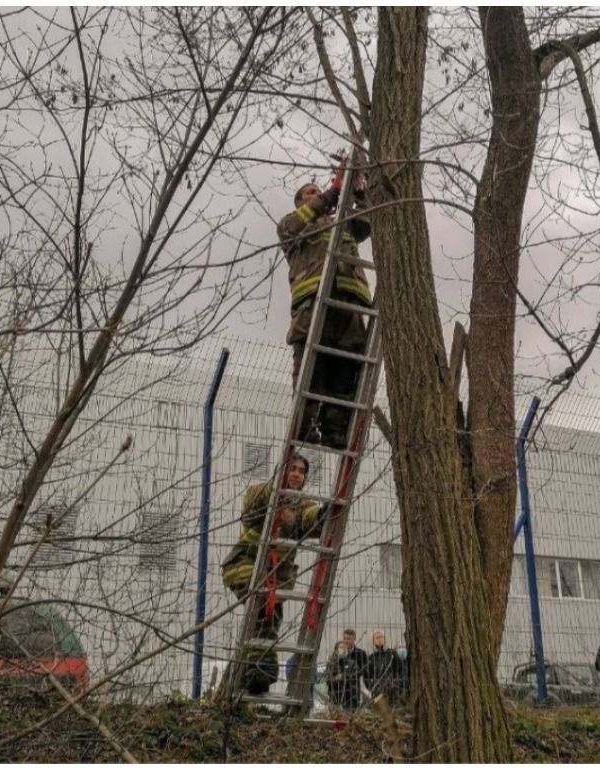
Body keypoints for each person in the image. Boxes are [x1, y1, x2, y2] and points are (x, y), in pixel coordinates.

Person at [276, 168, 373, 449]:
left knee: (345, 367)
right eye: (310, 193)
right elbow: (296, 224)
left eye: (318, 192)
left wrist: (358, 192)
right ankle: (304, 428)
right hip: (312, 305)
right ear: (298, 202)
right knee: (310, 370)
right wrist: (332, 192)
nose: (316, 195)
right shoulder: (292, 225)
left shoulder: (341, 222)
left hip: (347, 301)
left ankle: (335, 428)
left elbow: (365, 223)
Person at [220, 455, 326, 696]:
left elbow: (307, 519)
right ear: (281, 472)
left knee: (268, 617)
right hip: (245, 565)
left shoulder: (302, 504)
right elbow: (251, 511)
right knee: (263, 607)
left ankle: (251, 675)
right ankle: (260, 670)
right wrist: (275, 494)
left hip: (275, 576)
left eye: (302, 471)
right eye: (292, 469)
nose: (297, 474)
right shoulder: (259, 492)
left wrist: (324, 514)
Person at [327, 628, 367, 711]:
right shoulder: (335, 656)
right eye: (344, 638)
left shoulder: (360, 653)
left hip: (352, 691)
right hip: (336, 691)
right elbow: (329, 674)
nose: (346, 641)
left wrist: (344, 676)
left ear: (354, 639)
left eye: (349, 639)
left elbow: (362, 671)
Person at [362, 630, 402, 703]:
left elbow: (399, 669)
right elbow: (366, 675)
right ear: (373, 641)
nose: (380, 639)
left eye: (381, 637)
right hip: (378, 690)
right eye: (377, 638)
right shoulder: (371, 657)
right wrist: (372, 687)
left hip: (393, 688)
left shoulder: (392, 653)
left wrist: (397, 683)